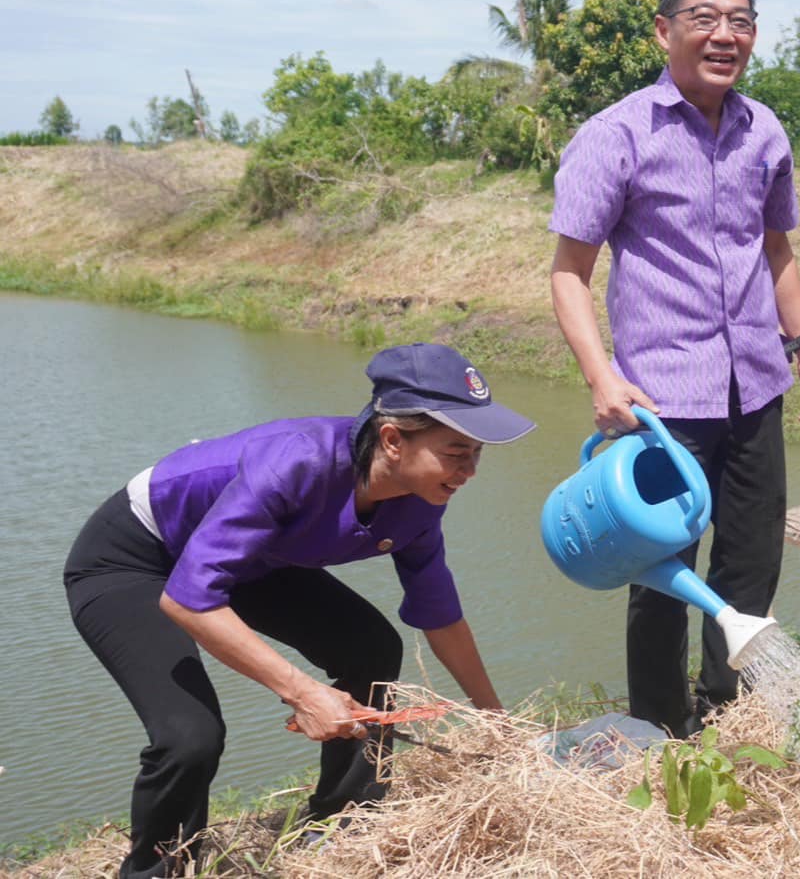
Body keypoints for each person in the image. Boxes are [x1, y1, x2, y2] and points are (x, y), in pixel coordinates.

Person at [63, 343, 534, 879]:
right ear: (392, 440)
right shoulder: (297, 464)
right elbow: (189, 598)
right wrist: (303, 692)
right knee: (189, 735)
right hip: (135, 559)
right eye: (456, 452)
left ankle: (346, 818)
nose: (469, 470)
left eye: (477, 453)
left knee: (373, 648)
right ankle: (157, 871)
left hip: (253, 561)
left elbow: (440, 616)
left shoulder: (419, 503)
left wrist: (498, 724)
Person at [548, 0, 800, 738]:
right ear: (664, 30)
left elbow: (775, 250)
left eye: (740, 22)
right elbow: (569, 272)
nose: (724, 35)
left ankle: (724, 709)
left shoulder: (763, 130)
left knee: (751, 563)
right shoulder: (617, 135)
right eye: (704, 19)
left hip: (754, 385)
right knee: (659, 576)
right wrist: (600, 377)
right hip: (660, 402)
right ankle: (657, 731)